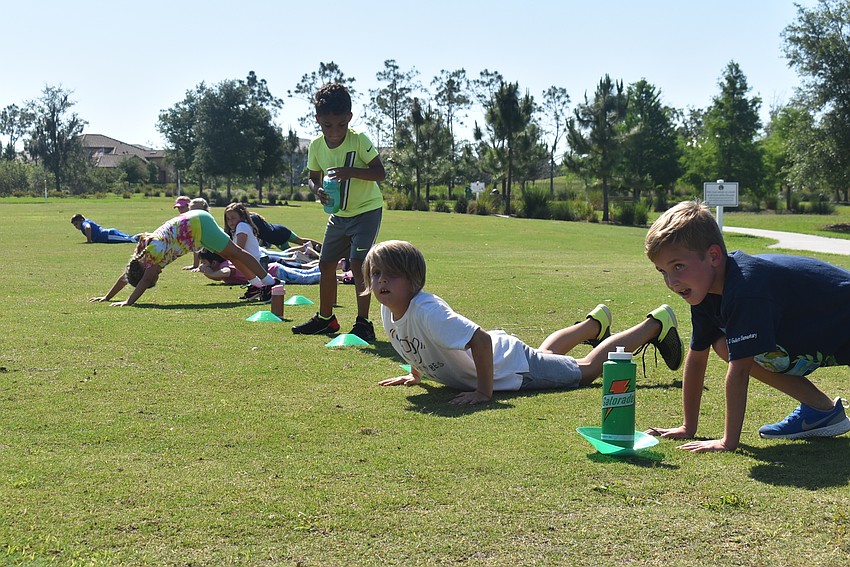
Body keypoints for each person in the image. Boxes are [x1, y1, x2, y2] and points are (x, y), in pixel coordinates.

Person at [363, 240, 683, 405]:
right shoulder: (389, 308)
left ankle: (655, 324)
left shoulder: (427, 309)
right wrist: (416, 374)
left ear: (414, 280)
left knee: (585, 371)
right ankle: (593, 326)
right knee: (543, 355)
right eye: (375, 274)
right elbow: (417, 341)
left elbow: (480, 340)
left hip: (509, 366)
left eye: (390, 274)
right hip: (510, 358)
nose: (380, 282)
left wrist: (485, 393)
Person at [644, 200, 850, 452]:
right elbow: (697, 359)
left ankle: (821, 410)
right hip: (822, 331)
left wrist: (728, 442)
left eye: (678, 266)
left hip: (841, 317)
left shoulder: (745, 289)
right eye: (662, 271)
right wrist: (688, 427)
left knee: (735, 351)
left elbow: (739, 371)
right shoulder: (703, 291)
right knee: (723, 344)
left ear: (713, 256)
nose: (671, 281)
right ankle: (822, 410)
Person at [291, 83, 386, 342]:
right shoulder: (316, 146)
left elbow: (380, 173)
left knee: (358, 265)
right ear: (318, 120)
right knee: (325, 263)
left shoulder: (359, 141)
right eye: (327, 126)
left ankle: (364, 324)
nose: (334, 132)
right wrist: (317, 190)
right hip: (338, 215)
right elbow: (312, 178)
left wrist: (350, 172)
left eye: (341, 125)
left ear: (349, 119)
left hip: (366, 211)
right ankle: (326, 319)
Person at [90, 209, 278, 306]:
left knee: (235, 252)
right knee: (229, 254)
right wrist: (107, 297)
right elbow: (128, 275)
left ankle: (269, 282)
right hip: (195, 226)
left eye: (153, 279)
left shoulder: (153, 252)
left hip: (198, 225)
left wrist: (128, 302)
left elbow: (145, 278)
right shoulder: (140, 256)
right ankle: (258, 285)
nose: (156, 277)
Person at [197, 248, 324, 286]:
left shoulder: (226, 264)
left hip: (274, 272)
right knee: (307, 273)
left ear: (214, 263)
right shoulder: (221, 266)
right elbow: (220, 278)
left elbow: (227, 272)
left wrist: (210, 273)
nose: (203, 265)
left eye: (204, 262)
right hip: (274, 269)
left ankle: (338, 276)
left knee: (306, 278)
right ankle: (337, 266)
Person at [250, 212, 321, 251]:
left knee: (290, 252)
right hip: (281, 229)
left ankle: (312, 252)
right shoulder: (254, 215)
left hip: (277, 237)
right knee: (301, 240)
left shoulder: (249, 221)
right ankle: (322, 247)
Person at [70, 214, 137, 244]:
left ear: (81, 220)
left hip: (107, 235)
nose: (76, 226)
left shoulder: (84, 223)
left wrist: (89, 241)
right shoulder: (86, 221)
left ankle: (143, 238)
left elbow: (88, 228)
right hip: (109, 233)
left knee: (129, 239)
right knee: (129, 237)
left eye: (76, 224)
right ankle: (143, 237)